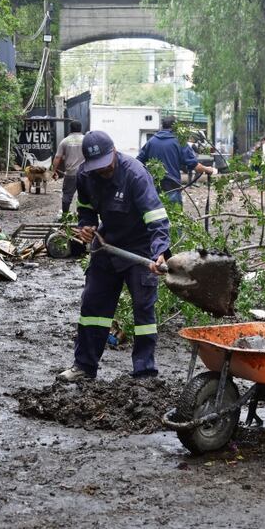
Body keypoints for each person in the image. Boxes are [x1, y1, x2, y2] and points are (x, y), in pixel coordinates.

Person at [57, 130, 171, 382]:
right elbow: (85, 208)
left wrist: (160, 252)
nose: (103, 170)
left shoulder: (135, 175)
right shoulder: (86, 175)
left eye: (106, 165)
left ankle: (144, 373)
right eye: (97, 166)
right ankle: (84, 367)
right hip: (106, 244)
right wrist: (86, 226)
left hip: (141, 247)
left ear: (115, 152)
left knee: (143, 311)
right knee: (92, 306)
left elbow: (157, 219)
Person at [137, 116, 217, 205]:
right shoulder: (179, 142)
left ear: (162, 126)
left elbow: (138, 163)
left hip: (153, 190)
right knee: (175, 216)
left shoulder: (151, 141)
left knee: (156, 217)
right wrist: (207, 169)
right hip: (172, 189)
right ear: (176, 127)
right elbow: (196, 167)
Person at [53, 120, 86, 216]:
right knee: (84, 196)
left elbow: (57, 157)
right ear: (80, 129)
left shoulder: (65, 141)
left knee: (67, 196)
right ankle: (83, 216)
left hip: (70, 174)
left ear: (70, 129)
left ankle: (65, 216)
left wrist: (54, 171)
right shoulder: (86, 140)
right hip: (84, 174)